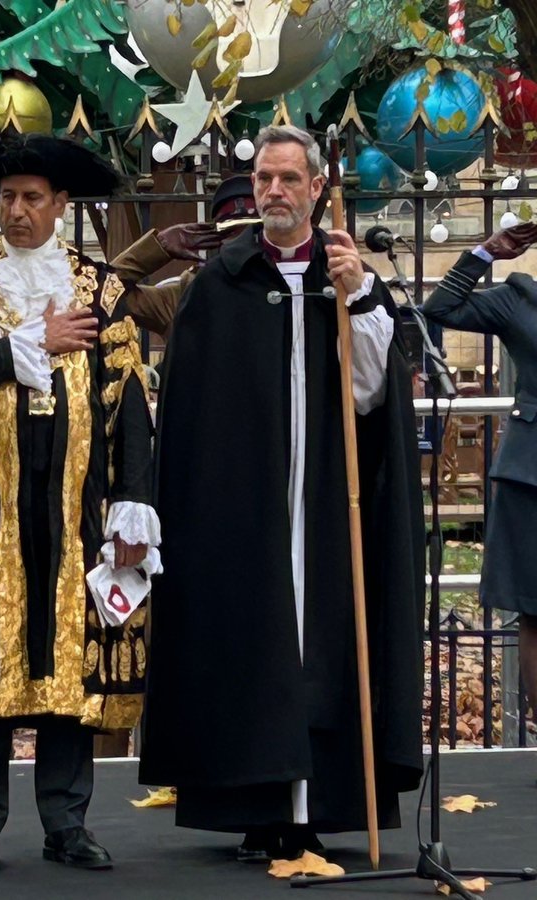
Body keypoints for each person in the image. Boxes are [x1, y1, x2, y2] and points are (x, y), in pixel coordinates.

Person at [140, 124, 425, 861]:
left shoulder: (352, 280)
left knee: (327, 644)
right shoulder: (221, 283)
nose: (274, 192)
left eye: (289, 180)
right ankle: (257, 803)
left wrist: (358, 297)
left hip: (330, 505)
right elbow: (190, 411)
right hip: (244, 510)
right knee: (250, 639)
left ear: (317, 189)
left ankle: (322, 802)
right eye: (265, 179)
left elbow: (370, 396)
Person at [0, 132, 159, 874]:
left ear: (61, 206)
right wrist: (22, 346)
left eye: (32, 198)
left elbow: (133, 399)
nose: (16, 211)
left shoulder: (101, 289)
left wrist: (134, 504)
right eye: (8, 198)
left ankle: (66, 822)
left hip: (78, 507)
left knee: (69, 665)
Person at [421, 222, 537, 723]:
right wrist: (484, 253)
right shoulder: (520, 300)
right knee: (535, 611)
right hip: (531, 476)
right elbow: (439, 310)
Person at [109, 175, 258, 338]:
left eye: (254, 231)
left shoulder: (286, 287)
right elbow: (104, 293)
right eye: (232, 232)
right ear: (216, 238)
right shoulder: (184, 295)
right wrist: (159, 246)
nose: (244, 241)